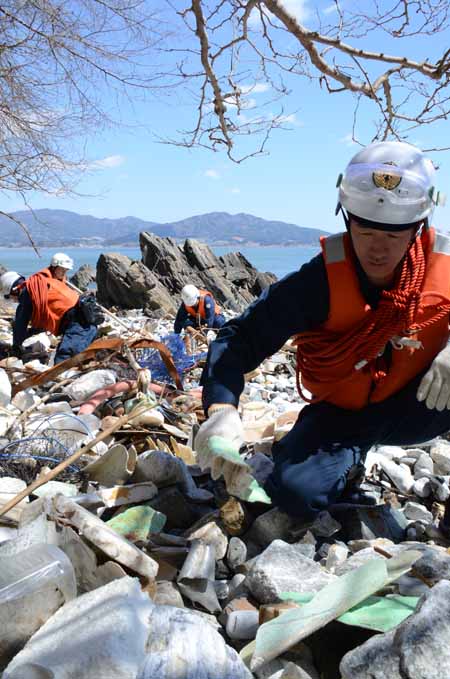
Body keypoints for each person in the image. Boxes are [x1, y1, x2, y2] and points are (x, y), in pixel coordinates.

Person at [196, 140, 450, 520]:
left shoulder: (443, 268)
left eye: (394, 236)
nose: (377, 249)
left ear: (418, 229)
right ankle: (346, 460)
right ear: (346, 218)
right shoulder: (318, 283)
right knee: (295, 495)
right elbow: (241, 338)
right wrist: (221, 408)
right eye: (365, 233)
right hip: (343, 412)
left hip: (420, 405)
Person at [0, 253, 101, 364]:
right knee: (85, 359)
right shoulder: (45, 284)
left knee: (64, 358)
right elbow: (43, 320)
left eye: (12, 298)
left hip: (79, 324)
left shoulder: (28, 291)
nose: (15, 301)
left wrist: (16, 348)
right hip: (87, 322)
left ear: (14, 290)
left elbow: (20, 323)